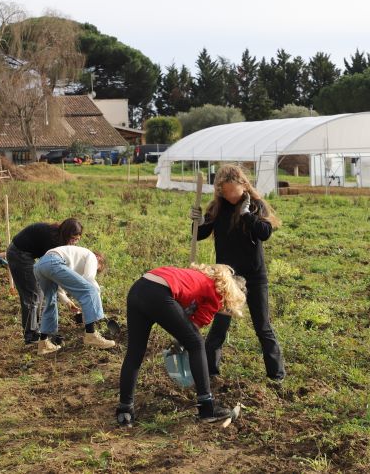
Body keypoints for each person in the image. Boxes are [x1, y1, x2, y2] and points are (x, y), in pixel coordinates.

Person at [116, 263, 247, 427]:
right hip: (158, 292)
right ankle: (207, 408)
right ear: (230, 297)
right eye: (229, 309)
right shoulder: (217, 292)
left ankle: (125, 411)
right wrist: (182, 339)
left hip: (139, 287)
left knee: (135, 353)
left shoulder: (200, 277)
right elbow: (194, 332)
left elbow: (182, 315)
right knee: (197, 343)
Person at [190, 164, 285, 383]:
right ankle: (210, 372)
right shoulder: (217, 207)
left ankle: (276, 376)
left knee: (262, 326)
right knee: (220, 326)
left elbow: (265, 233)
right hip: (227, 278)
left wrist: (246, 216)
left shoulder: (256, 206)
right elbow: (200, 235)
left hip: (254, 276)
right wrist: (198, 221)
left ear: (243, 186)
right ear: (220, 190)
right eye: (226, 193)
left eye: (235, 193)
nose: (232, 198)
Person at [8, 219, 83, 345]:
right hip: (19, 254)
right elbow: (51, 274)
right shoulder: (54, 242)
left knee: (41, 293)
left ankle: (41, 331)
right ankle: (31, 335)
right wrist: (66, 299)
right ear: (65, 234)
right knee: (32, 295)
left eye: (77, 239)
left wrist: (67, 300)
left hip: (28, 254)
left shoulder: (59, 239)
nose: (74, 243)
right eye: (72, 239)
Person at [33, 244, 115, 355]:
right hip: (53, 262)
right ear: (98, 259)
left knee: (50, 302)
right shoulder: (91, 256)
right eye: (98, 268)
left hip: (40, 265)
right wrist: (96, 299)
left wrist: (67, 301)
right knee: (90, 290)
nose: (96, 270)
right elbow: (89, 280)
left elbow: (59, 288)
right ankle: (91, 335)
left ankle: (43, 344)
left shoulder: (75, 257)